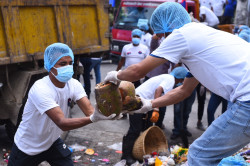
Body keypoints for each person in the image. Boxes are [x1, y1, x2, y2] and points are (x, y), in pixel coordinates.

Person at [104, 2, 250, 165]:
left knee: (198, 155)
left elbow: (138, 71)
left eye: (162, 35)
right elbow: (184, 91)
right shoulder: (201, 38)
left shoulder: (182, 35)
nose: (163, 40)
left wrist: (116, 75)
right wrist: (150, 103)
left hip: (247, 99)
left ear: (169, 27)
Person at [8, 43, 116, 166]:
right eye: (62, 64)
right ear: (50, 66)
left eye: (70, 63)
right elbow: (62, 123)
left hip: (51, 141)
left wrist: (111, 110)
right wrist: (93, 119)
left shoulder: (74, 84)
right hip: (28, 146)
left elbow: (90, 111)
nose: (68, 67)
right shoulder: (41, 88)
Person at [122, 67, 188, 165]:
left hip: (143, 101)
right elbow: (158, 90)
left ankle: (139, 153)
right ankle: (126, 156)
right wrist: (156, 109)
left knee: (146, 128)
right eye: (182, 80)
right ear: (180, 78)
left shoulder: (167, 77)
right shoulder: (170, 79)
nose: (181, 82)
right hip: (137, 101)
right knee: (135, 130)